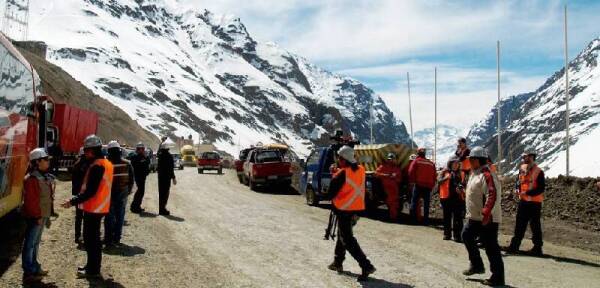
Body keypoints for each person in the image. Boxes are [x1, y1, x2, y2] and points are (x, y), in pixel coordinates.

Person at [61, 135, 113, 278]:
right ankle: (91, 266)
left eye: (87, 150)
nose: (85, 153)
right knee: (92, 240)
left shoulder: (97, 166)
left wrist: (73, 201)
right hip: (99, 206)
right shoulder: (104, 163)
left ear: (94, 150)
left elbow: (90, 191)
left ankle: (93, 270)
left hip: (94, 207)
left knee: (92, 240)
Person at [327, 146, 376, 281]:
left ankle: (366, 265)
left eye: (339, 158)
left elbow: (331, 193)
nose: (338, 160)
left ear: (343, 160)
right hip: (357, 210)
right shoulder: (360, 170)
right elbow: (350, 177)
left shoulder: (341, 174)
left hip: (344, 210)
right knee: (343, 235)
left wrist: (334, 174)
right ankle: (338, 262)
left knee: (347, 240)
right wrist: (338, 172)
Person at [461, 146, 504, 286]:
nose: (470, 162)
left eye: (472, 159)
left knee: (491, 247)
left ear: (479, 160)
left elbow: (492, 195)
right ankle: (477, 265)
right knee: (466, 235)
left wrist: (486, 213)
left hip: (487, 218)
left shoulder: (487, 174)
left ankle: (498, 277)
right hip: (475, 217)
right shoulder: (475, 173)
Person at [21, 148, 54, 282]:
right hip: (36, 217)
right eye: (45, 160)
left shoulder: (42, 176)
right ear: (37, 162)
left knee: (35, 243)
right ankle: (29, 272)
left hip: (42, 216)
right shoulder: (31, 179)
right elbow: (31, 201)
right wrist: (37, 217)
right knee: (30, 244)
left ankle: (34, 266)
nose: (48, 162)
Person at [506, 151, 546, 256]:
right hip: (523, 202)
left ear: (532, 157)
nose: (523, 158)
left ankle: (537, 248)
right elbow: (518, 181)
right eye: (523, 156)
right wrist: (516, 189)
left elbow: (541, 189)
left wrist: (527, 192)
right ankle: (514, 246)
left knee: (535, 226)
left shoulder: (539, 171)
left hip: (535, 203)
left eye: (525, 156)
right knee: (519, 225)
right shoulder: (522, 168)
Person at [104, 141, 134, 247]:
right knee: (120, 217)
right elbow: (131, 179)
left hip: (109, 195)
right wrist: (128, 191)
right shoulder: (127, 163)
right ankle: (116, 239)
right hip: (122, 193)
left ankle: (108, 240)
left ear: (109, 151)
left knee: (109, 217)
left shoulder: (105, 164)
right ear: (119, 150)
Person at [438, 156, 466, 242]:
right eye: (454, 163)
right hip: (446, 198)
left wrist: (461, 187)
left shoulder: (461, 173)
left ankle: (457, 236)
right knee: (447, 217)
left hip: (458, 198)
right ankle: (447, 234)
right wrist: (446, 178)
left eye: (457, 163)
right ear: (450, 163)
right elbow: (439, 181)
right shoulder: (444, 172)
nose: (456, 165)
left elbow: (464, 183)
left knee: (458, 218)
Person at [408, 148, 436, 224]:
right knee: (426, 204)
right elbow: (434, 176)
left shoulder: (416, 161)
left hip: (418, 185)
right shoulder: (431, 163)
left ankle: (413, 220)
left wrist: (412, 182)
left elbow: (410, 172)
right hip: (428, 187)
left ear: (418, 153)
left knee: (414, 202)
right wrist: (431, 186)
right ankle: (426, 221)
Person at [375, 153, 402, 221]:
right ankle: (393, 216)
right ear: (388, 159)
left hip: (394, 187)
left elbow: (399, 179)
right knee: (391, 201)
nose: (391, 161)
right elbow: (376, 174)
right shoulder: (383, 166)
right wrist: (386, 175)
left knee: (393, 201)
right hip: (387, 187)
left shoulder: (397, 168)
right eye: (390, 159)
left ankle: (393, 216)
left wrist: (394, 178)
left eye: (392, 159)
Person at [71, 147, 89, 244]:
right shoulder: (89, 165)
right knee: (86, 216)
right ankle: (85, 236)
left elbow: (73, 180)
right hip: (86, 194)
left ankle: (77, 236)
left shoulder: (76, 164)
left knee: (78, 216)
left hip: (78, 194)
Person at [130, 142, 150, 214]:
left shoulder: (144, 156)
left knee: (141, 192)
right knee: (140, 192)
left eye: (142, 149)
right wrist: (144, 159)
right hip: (138, 177)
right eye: (140, 149)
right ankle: (135, 207)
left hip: (142, 177)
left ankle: (137, 206)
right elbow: (137, 165)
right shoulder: (135, 157)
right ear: (137, 149)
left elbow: (147, 162)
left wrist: (145, 157)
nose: (141, 150)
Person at [157, 143, 176, 216]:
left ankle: (160, 209)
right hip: (167, 178)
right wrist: (173, 178)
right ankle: (163, 209)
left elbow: (158, 168)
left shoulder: (160, 156)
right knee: (165, 193)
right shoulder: (169, 156)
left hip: (160, 178)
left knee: (161, 193)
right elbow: (171, 169)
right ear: (168, 148)